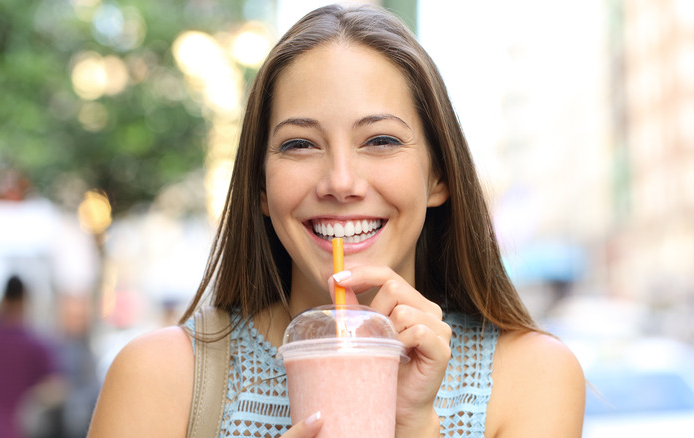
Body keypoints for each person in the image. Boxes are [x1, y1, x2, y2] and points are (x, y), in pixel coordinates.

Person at [88, 4, 585, 437]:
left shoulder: (531, 378)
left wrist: (414, 430)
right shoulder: (158, 379)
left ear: (438, 177)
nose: (341, 181)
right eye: (299, 144)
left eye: (381, 141)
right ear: (260, 187)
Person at [0, 275, 60, 438]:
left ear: (3, 300)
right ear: (25, 301)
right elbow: (56, 389)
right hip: (18, 430)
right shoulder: (37, 345)